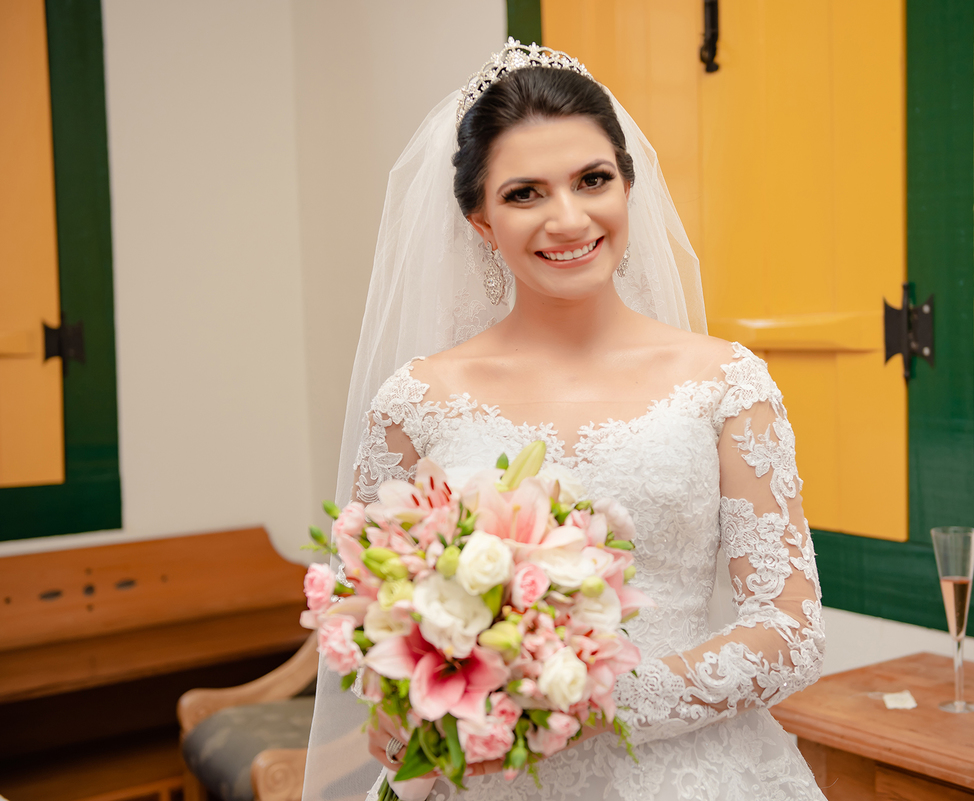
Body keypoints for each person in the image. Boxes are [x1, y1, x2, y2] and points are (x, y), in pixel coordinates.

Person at [303, 40, 826, 801]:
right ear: (480, 221)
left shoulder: (725, 383)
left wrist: (577, 702)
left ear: (628, 185)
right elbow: (363, 614)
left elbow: (791, 631)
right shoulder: (415, 401)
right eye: (525, 194)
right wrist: (398, 704)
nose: (570, 218)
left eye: (592, 180)